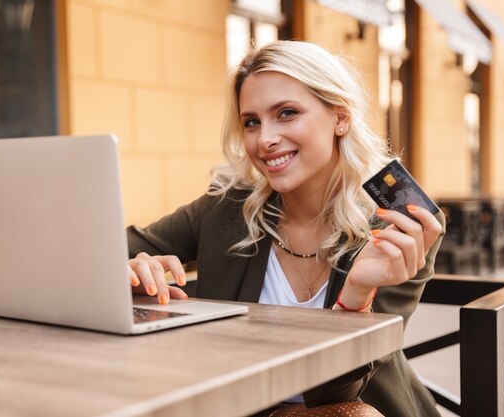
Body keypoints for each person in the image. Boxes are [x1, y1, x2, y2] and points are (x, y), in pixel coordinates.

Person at [126, 40, 445, 417]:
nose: (265, 139)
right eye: (251, 122)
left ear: (340, 118)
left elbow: (338, 394)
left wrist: (356, 296)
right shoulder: (226, 208)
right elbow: (103, 251)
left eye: (287, 113)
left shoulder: (398, 226)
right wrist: (125, 272)